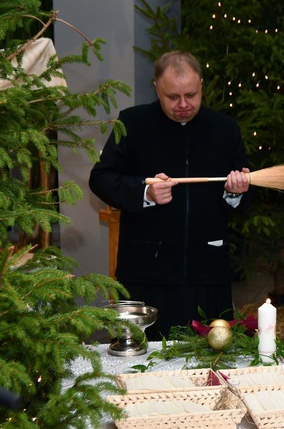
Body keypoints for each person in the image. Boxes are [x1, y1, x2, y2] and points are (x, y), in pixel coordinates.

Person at [89, 51, 252, 341]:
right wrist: (145, 192)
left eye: (191, 94)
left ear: (201, 85)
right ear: (156, 88)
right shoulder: (133, 123)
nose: (183, 105)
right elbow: (101, 179)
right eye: (172, 97)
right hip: (146, 274)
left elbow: (243, 200)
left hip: (207, 270)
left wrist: (235, 194)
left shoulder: (224, 129)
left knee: (210, 366)